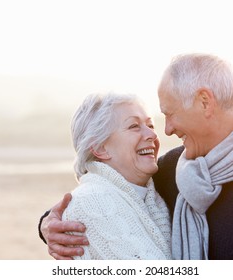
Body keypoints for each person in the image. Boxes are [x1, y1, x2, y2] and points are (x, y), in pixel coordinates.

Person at [39, 53, 233, 260]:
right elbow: (109, 194)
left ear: (204, 102)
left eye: (169, 115)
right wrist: (48, 225)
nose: (168, 130)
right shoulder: (173, 169)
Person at [42, 92, 172, 259]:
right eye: (134, 126)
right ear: (100, 148)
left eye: (151, 125)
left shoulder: (152, 194)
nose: (152, 135)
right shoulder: (92, 200)